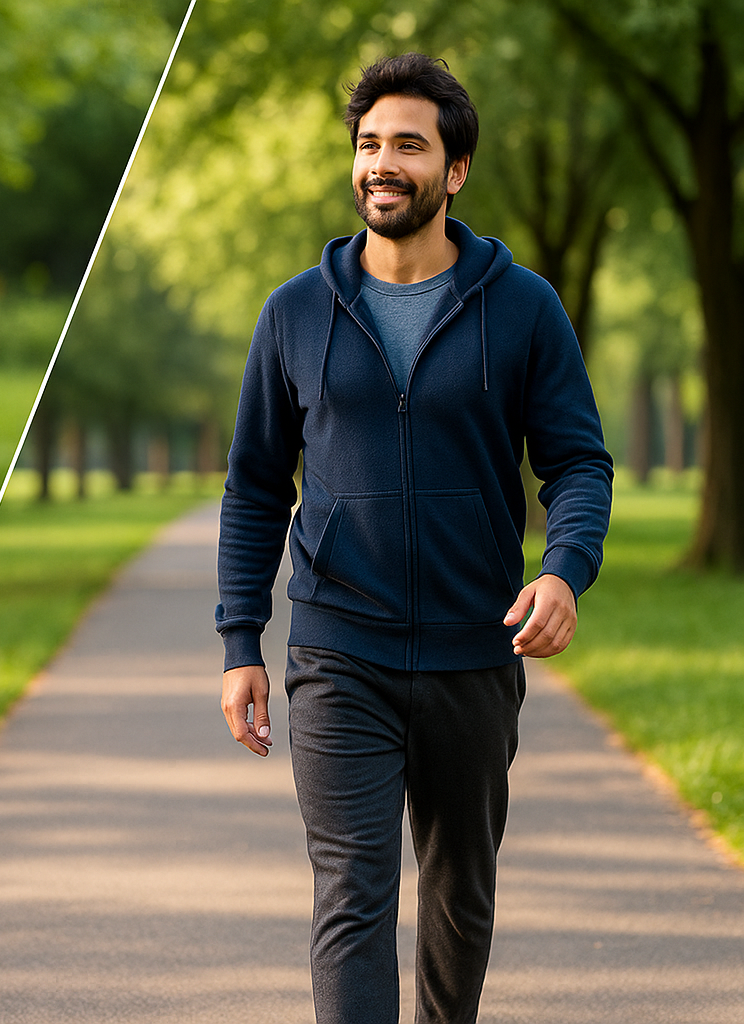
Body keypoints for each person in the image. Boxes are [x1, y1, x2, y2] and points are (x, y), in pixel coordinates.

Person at [216, 53, 612, 1024]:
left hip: (474, 650)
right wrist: (240, 643)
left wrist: (564, 571)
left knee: (458, 893)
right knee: (352, 892)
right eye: (367, 144)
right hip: (336, 647)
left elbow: (580, 463)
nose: (381, 163)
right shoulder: (295, 313)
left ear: (455, 170)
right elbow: (257, 486)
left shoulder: (524, 309)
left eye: (408, 145)